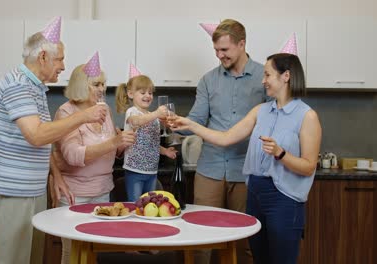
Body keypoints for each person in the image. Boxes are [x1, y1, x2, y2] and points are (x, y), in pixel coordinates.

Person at [0, 17, 106, 264]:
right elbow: (36, 135)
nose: (63, 66)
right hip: (14, 188)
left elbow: (43, 136)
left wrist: (55, 175)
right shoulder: (18, 86)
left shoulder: (34, 87)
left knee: (31, 257)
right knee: (12, 259)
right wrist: (83, 117)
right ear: (43, 57)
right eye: (60, 59)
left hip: (30, 188)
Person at [172, 53, 322, 264]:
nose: (263, 81)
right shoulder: (261, 111)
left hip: (284, 200)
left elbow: (308, 167)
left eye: (268, 75)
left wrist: (281, 154)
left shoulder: (307, 116)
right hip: (256, 195)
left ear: (286, 76)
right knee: (259, 258)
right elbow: (225, 138)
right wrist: (191, 125)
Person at [183, 18, 268, 264]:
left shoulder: (265, 76)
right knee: (201, 236)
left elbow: (274, 118)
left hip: (247, 170)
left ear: (241, 44)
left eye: (225, 50)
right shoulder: (208, 80)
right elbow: (197, 119)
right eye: (216, 51)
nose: (220, 55)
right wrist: (177, 124)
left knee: (243, 238)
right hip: (209, 169)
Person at [52, 54, 136, 264]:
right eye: (96, 84)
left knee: (93, 250)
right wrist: (113, 143)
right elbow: (73, 155)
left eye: (104, 84)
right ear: (81, 85)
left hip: (102, 191)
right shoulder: (65, 112)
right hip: (74, 194)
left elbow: (111, 150)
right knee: (72, 253)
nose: (102, 89)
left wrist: (124, 143)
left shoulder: (104, 109)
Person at [115, 66, 177, 202]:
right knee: (136, 204)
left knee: (150, 205)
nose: (148, 96)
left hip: (151, 171)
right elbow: (136, 122)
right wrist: (156, 114)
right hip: (135, 170)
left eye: (150, 93)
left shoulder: (152, 117)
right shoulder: (132, 112)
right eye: (143, 92)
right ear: (131, 94)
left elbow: (152, 142)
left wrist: (165, 151)